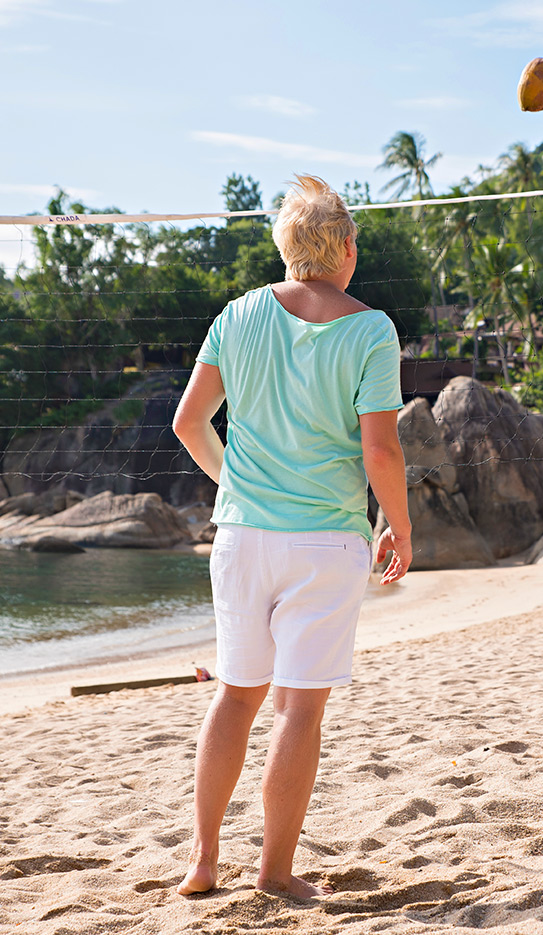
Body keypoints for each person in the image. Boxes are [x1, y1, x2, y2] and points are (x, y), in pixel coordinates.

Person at [170, 174, 412, 899]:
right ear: (344, 246)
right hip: (324, 540)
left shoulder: (236, 315)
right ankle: (273, 871)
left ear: (285, 247)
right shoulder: (371, 327)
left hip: (241, 538)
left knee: (236, 696)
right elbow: (379, 453)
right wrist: (401, 525)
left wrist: (233, 484)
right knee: (299, 708)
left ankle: (204, 860)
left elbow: (188, 424)